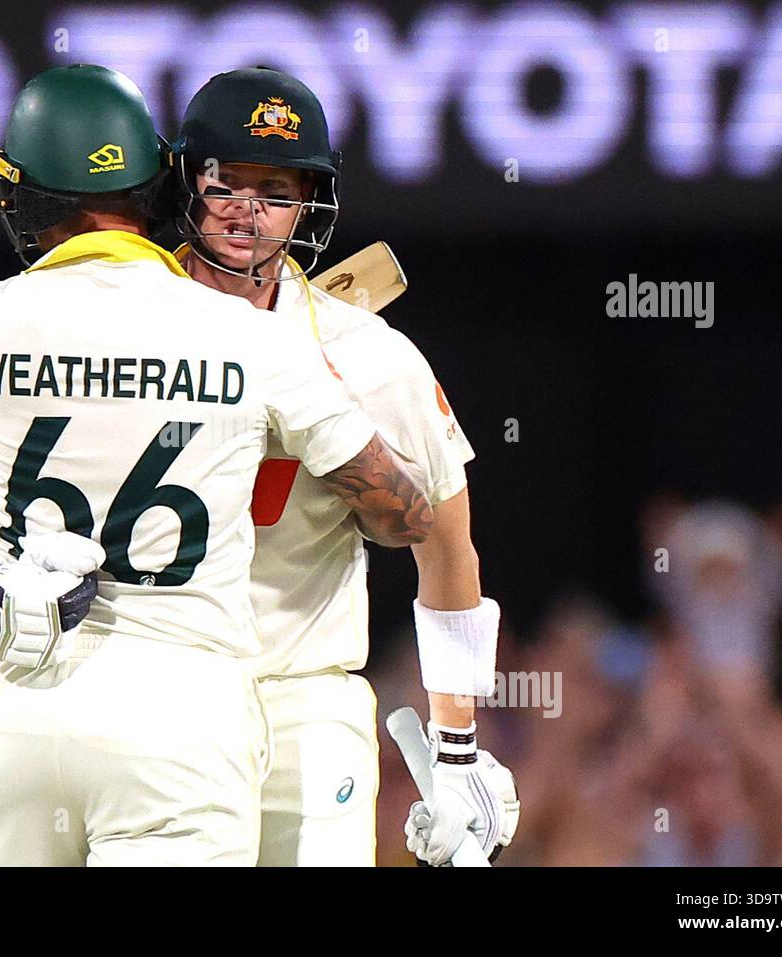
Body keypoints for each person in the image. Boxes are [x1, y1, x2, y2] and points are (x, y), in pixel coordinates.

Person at [0, 64, 433, 866]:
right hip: (178, 715)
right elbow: (408, 516)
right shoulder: (253, 338)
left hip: (15, 705)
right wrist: (311, 411)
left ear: (23, 197)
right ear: (165, 185)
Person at [169, 67, 519, 866]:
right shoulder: (119, 332)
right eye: (228, 182)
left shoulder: (369, 358)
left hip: (304, 701)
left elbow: (448, 547)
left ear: (309, 203)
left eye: (277, 190)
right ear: (187, 181)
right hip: (161, 696)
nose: (248, 213)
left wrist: (457, 744)